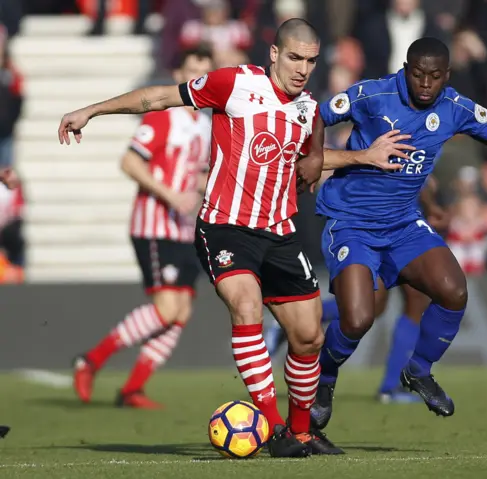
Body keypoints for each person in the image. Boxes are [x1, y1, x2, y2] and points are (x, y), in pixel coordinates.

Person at [58, 18, 343, 458]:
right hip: (226, 226)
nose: (302, 68)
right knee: (246, 305)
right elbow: (156, 96)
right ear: (273, 53)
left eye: (310, 60)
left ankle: (303, 430)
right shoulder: (235, 84)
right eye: (294, 57)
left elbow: (315, 147)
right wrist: (91, 110)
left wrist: (342, 157)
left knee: (309, 336)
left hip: (281, 232)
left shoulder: (308, 107)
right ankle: (272, 426)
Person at [296, 36, 487, 431]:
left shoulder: (455, 108)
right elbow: (316, 113)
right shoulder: (374, 93)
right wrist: (315, 157)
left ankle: (417, 370)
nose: (425, 83)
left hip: (402, 223)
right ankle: (324, 380)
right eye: (418, 74)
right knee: (358, 319)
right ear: (406, 69)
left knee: (453, 290)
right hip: (351, 222)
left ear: (446, 76)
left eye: (434, 76)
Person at [70, 48, 213, 409]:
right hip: (153, 223)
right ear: (178, 71)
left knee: (181, 312)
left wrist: (200, 187)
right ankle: (91, 360)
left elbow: (195, 173)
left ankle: (133, 388)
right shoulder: (163, 116)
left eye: (203, 73)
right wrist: (170, 195)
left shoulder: (205, 124)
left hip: (182, 227)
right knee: (166, 308)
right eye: (191, 69)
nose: (196, 78)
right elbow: (130, 162)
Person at [265, 178, 448, 404]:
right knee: (377, 305)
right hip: (382, 220)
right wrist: (430, 204)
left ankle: (391, 387)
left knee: (403, 302)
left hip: (394, 215)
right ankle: (389, 388)